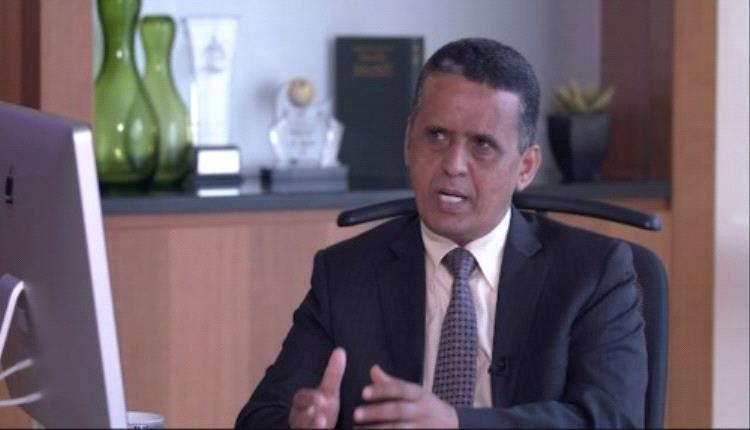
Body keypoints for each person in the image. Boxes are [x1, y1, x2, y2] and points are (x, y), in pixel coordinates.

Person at [235, 38, 646, 428]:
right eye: (436, 136)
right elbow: (261, 415)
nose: (453, 164)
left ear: (525, 167)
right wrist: (299, 423)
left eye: (482, 145)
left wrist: (457, 424)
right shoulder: (346, 273)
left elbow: (613, 420)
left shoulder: (593, 273)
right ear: (407, 143)